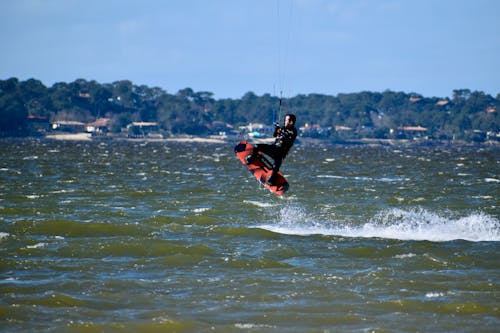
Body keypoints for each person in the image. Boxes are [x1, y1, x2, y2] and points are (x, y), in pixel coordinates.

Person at [246, 113, 297, 185]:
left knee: (276, 167)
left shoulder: (293, 132)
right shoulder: (283, 128)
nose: (285, 122)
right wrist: (277, 130)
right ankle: (253, 158)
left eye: (287, 120)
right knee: (257, 146)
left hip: (280, 153)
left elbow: (288, 137)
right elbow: (275, 135)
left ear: (291, 122)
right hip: (274, 148)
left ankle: (273, 178)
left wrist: (281, 131)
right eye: (285, 120)